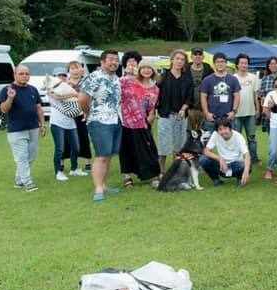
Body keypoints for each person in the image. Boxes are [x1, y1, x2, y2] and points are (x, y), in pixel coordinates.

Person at [78, 50, 123, 202]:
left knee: (109, 155)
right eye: (110, 59)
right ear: (102, 62)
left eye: (116, 60)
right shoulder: (94, 77)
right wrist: (88, 113)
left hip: (115, 120)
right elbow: (82, 99)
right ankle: (98, 188)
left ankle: (103, 185)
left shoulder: (116, 79)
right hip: (99, 121)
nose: (114, 62)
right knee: (101, 155)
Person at [0, 64, 46, 192]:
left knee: (31, 156)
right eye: (21, 74)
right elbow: (4, 109)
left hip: (33, 128)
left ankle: (19, 180)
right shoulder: (7, 90)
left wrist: (42, 125)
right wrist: (10, 98)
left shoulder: (33, 90)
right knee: (21, 157)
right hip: (16, 130)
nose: (24, 76)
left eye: (27, 74)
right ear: (15, 75)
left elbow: (38, 108)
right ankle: (28, 182)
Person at [119, 58, 160, 187]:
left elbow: (151, 107)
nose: (146, 70)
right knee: (127, 150)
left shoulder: (155, 88)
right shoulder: (128, 81)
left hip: (142, 123)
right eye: (144, 68)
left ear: (153, 71)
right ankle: (127, 177)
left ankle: (154, 174)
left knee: (149, 149)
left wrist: (151, 111)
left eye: (149, 68)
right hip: (126, 122)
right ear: (139, 69)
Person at [156, 50, 194, 176]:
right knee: (163, 144)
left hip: (181, 116)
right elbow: (155, 94)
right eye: (177, 59)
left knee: (179, 145)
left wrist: (183, 108)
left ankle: (175, 171)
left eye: (182, 60)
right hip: (165, 115)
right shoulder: (163, 77)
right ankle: (161, 172)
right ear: (172, 60)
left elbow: (189, 98)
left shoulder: (187, 79)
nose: (179, 61)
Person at [46, 68, 83, 181]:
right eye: (59, 75)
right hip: (57, 123)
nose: (62, 77)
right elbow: (56, 96)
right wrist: (72, 94)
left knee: (76, 147)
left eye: (64, 75)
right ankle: (58, 172)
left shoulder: (68, 88)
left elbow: (78, 96)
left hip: (70, 123)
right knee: (60, 149)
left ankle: (74, 169)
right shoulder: (50, 88)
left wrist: (72, 92)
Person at [200, 119, 251, 186]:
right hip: (222, 166)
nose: (223, 131)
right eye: (220, 129)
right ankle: (216, 180)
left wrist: (246, 171)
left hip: (236, 164)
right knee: (204, 160)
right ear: (217, 131)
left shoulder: (238, 136)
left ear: (230, 129)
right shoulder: (215, 134)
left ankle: (241, 179)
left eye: (225, 128)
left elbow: (247, 155)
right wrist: (220, 158)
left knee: (246, 165)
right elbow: (206, 151)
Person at [199, 52, 241, 134]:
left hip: (228, 118)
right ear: (214, 64)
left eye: (222, 62)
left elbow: (237, 96)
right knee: (209, 141)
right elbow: (203, 97)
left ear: (226, 63)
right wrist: (207, 113)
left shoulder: (233, 79)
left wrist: (233, 112)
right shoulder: (207, 80)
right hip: (212, 118)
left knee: (229, 141)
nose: (220, 64)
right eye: (217, 62)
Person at [232, 53, 261, 165]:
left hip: (250, 113)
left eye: (246, 63)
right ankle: (237, 158)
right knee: (236, 138)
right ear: (237, 64)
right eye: (242, 63)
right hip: (236, 114)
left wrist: (257, 109)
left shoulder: (253, 77)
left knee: (252, 138)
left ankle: (254, 158)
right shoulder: (233, 78)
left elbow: (255, 95)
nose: (244, 65)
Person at [64, 60, 92, 173]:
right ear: (68, 71)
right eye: (72, 69)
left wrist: (85, 76)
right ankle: (62, 163)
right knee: (66, 139)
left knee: (84, 137)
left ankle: (88, 162)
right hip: (68, 114)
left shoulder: (85, 81)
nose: (75, 71)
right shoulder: (64, 83)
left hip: (82, 114)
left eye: (77, 68)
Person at [186, 48, 213, 131]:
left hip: (204, 109)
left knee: (204, 133)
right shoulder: (185, 69)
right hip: (189, 108)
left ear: (203, 56)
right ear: (191, 56)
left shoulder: (209, 70)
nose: (198, 56)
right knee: (189, 133)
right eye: (195, 54)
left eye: (200, 54)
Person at [259, 57, 277, 135]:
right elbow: (262, 94)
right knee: (272, 135)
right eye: (271, 64)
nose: (273, 66)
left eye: (276, 63)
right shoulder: (265, 78)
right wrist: (267, 102)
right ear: (268, 66)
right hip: (269, 111)